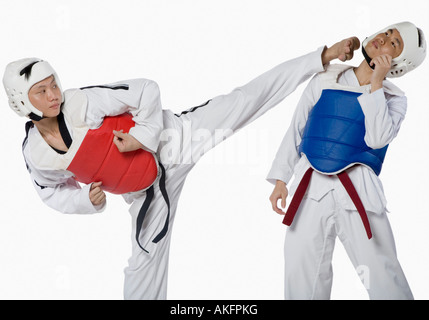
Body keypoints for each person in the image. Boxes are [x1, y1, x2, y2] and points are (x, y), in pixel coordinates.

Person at [3, 37, 357, 300]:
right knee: (143, 267)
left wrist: (142, 136)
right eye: (41, 91)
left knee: (244, 100)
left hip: (177, 137)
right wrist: (87, 201)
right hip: (147, 192)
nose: (53, 94)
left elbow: (145, 90)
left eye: (53, 84)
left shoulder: (82, 103)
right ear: (22, 102)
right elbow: (50, 193)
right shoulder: (38, 155)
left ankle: (320, 58)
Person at [267, 21, 426, 300]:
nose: (385, 38)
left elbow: (378, 139)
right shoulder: (326, 79)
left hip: (359, 195)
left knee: (382, 275)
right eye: (387, 32)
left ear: (399, 62)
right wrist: (281, 178)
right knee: (301, 271)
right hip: (311, 189)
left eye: (395, 42)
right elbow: (298, 128)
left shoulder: (394, 99)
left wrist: (377, 84)